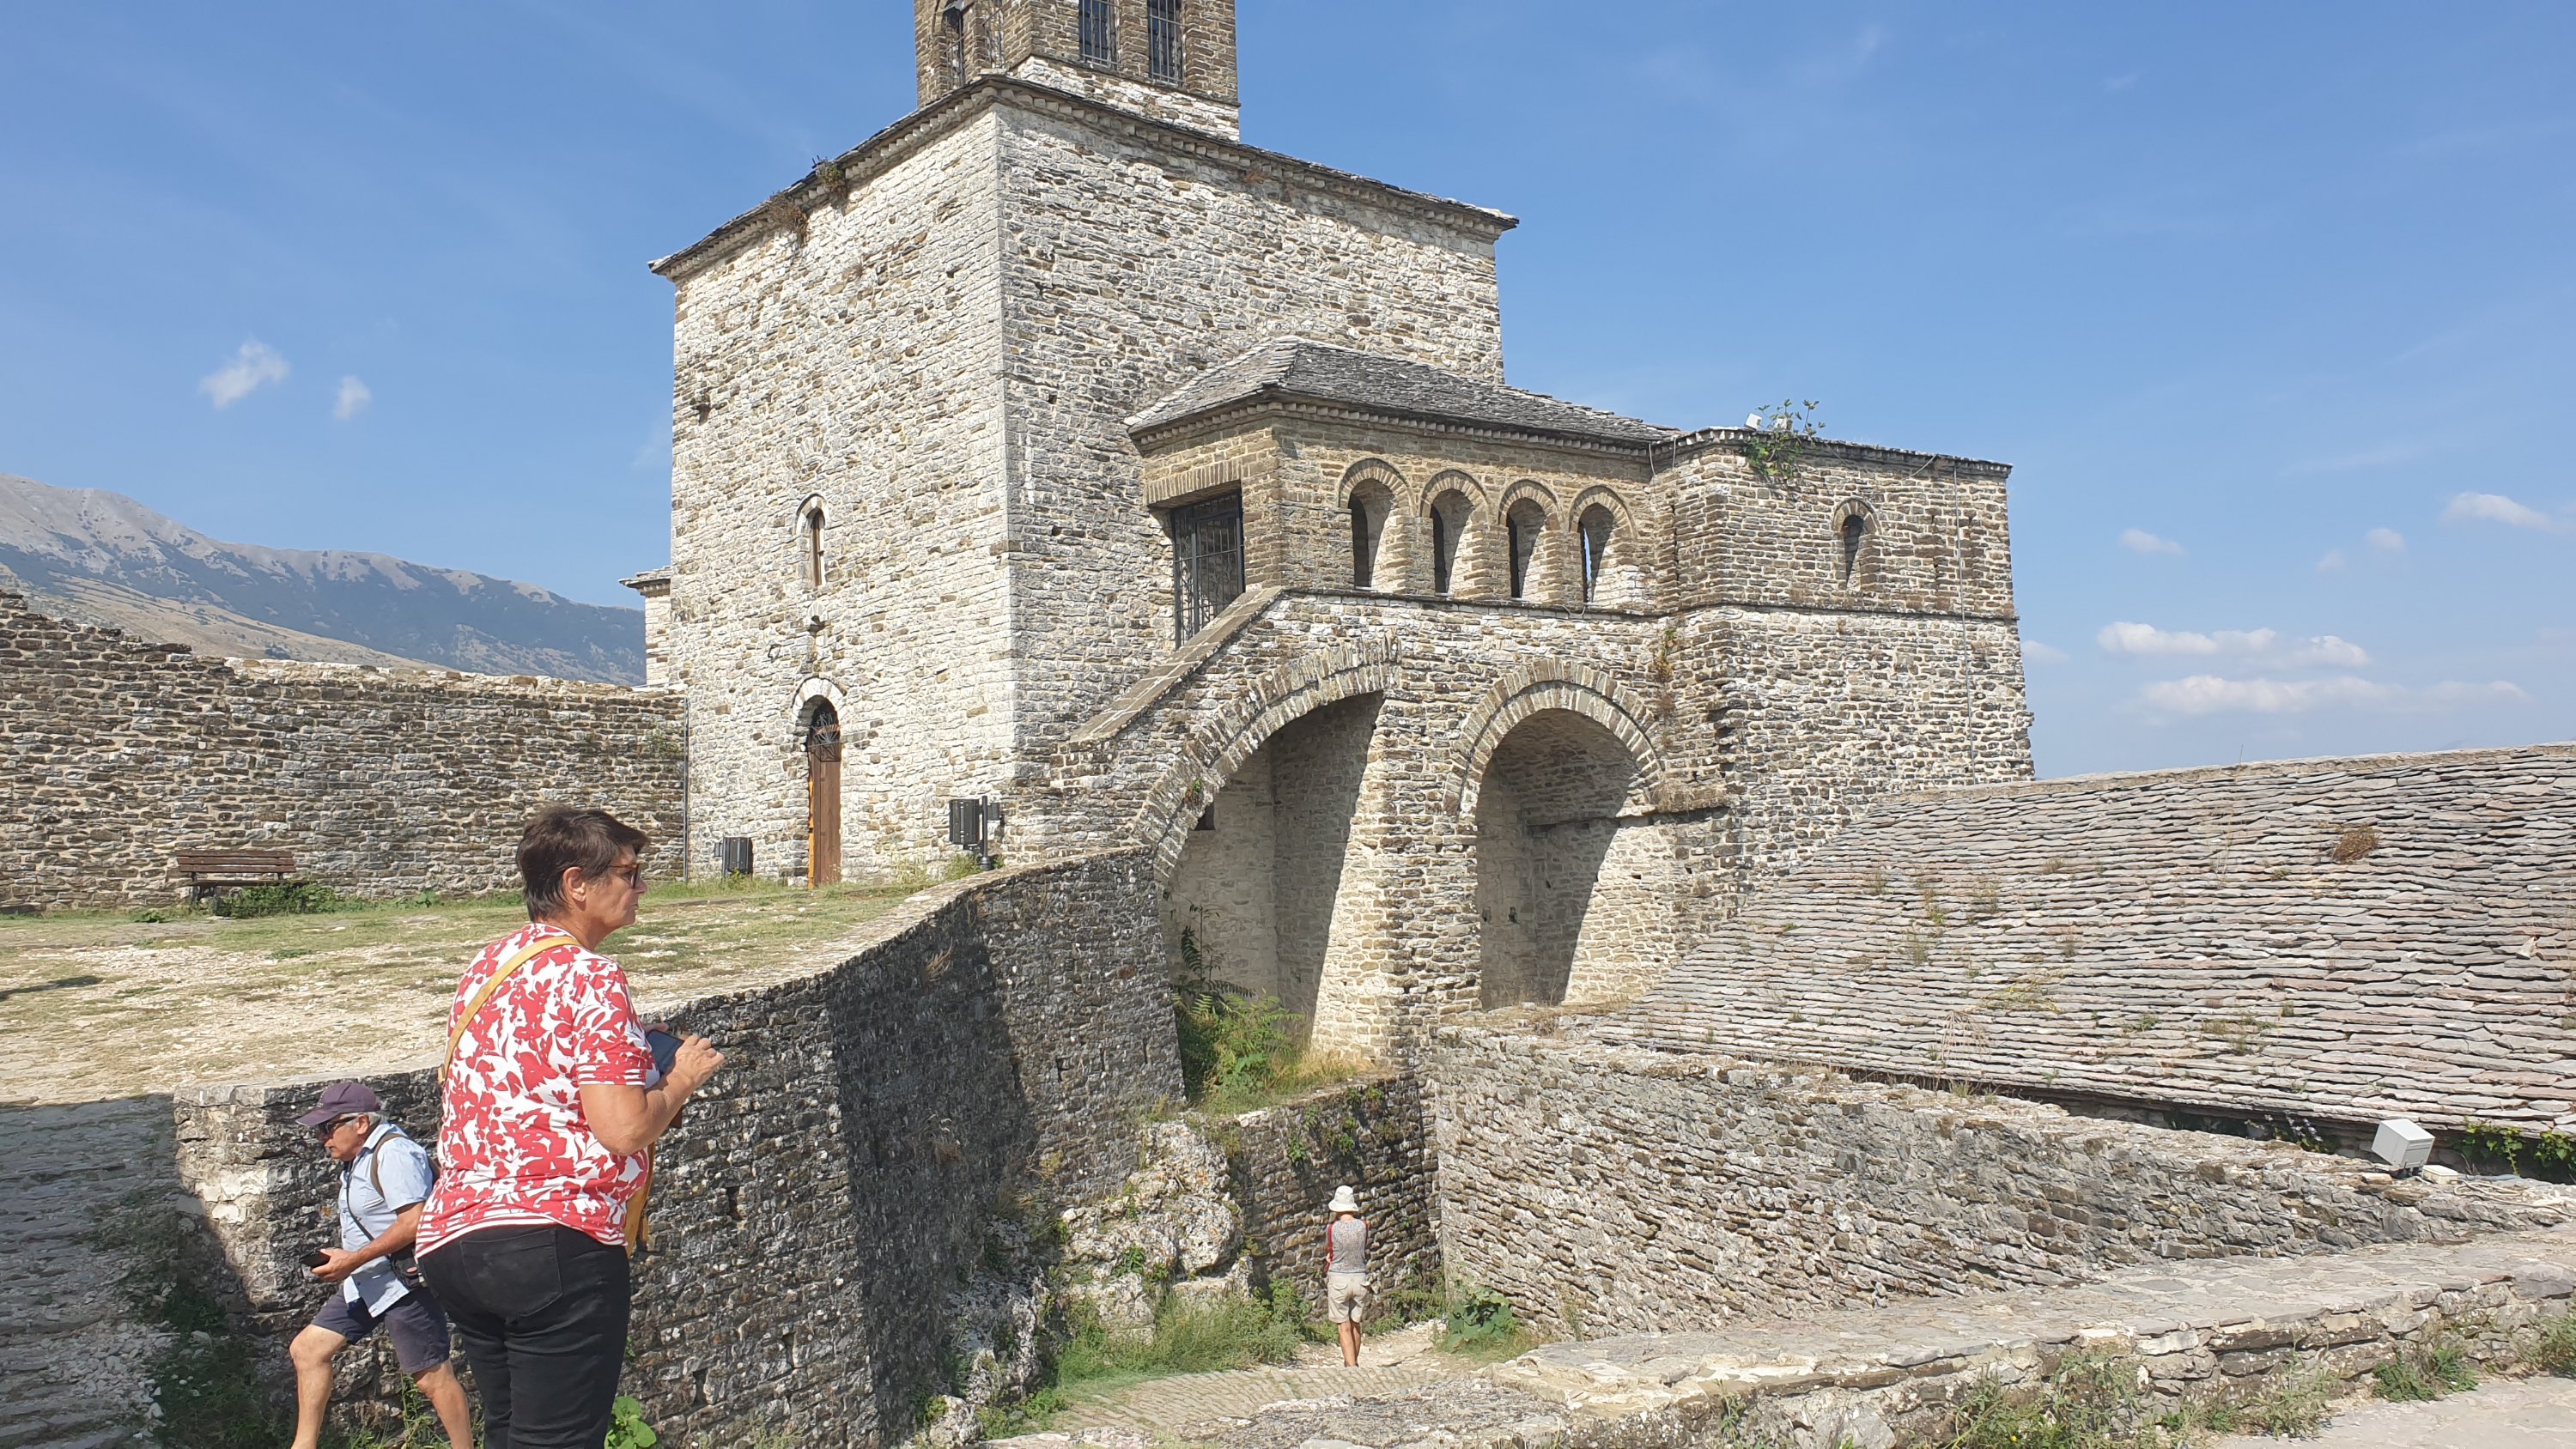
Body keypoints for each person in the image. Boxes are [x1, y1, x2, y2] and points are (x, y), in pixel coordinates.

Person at [416, 808, 724, 1449]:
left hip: (455, 1237)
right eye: (630, 874)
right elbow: (624, 1130)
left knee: (507, 1433)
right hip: (552, 1238)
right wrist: (681, 1078)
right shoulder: (592, 976)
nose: (642, 888)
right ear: (577, 883)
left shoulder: (488, 966)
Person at [287, 1079, 474, 1449]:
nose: (322, 1138)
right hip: (367, 1281)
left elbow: (414, 1222)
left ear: (361, 1123)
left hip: (404, 1284)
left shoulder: (395, 1155)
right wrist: (350, 1262)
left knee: (432, 1378)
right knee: (307, 1350)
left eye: (328, 1127)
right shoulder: (358, 1158)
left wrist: (353, 1259)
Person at [1322, 1184, 1369, 1367]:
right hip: (1360, 1278)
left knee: (1344, 1327)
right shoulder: (1364, 1226)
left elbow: (1331, 1253)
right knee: (1356, 1324)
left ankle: (1351, 1368)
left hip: (1339, 1279)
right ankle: (1354, 1362)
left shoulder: (1331, 1228)